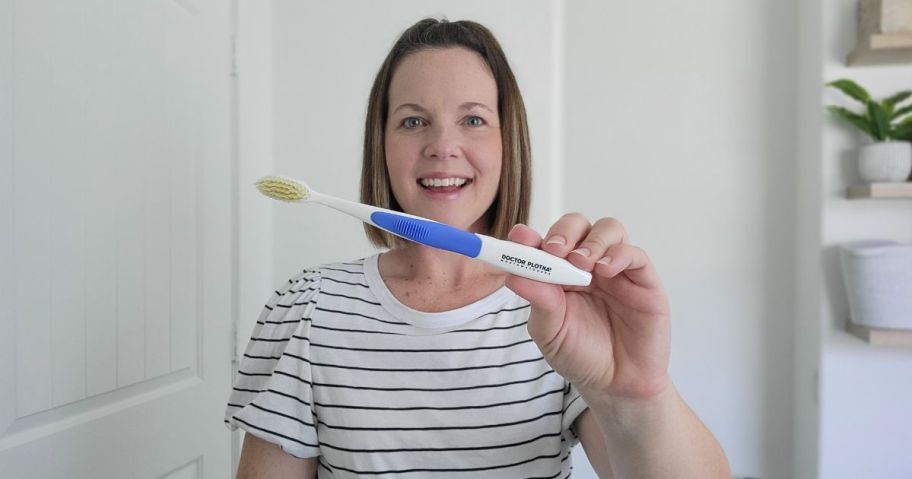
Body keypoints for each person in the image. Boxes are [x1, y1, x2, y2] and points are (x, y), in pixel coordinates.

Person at [226, 18, 731, 478]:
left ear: (507, 142)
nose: (443, 145)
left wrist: (638, 393)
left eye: (472, 120)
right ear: (379, 144)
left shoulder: (560, 309)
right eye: (412, 120)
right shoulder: (309, 308)